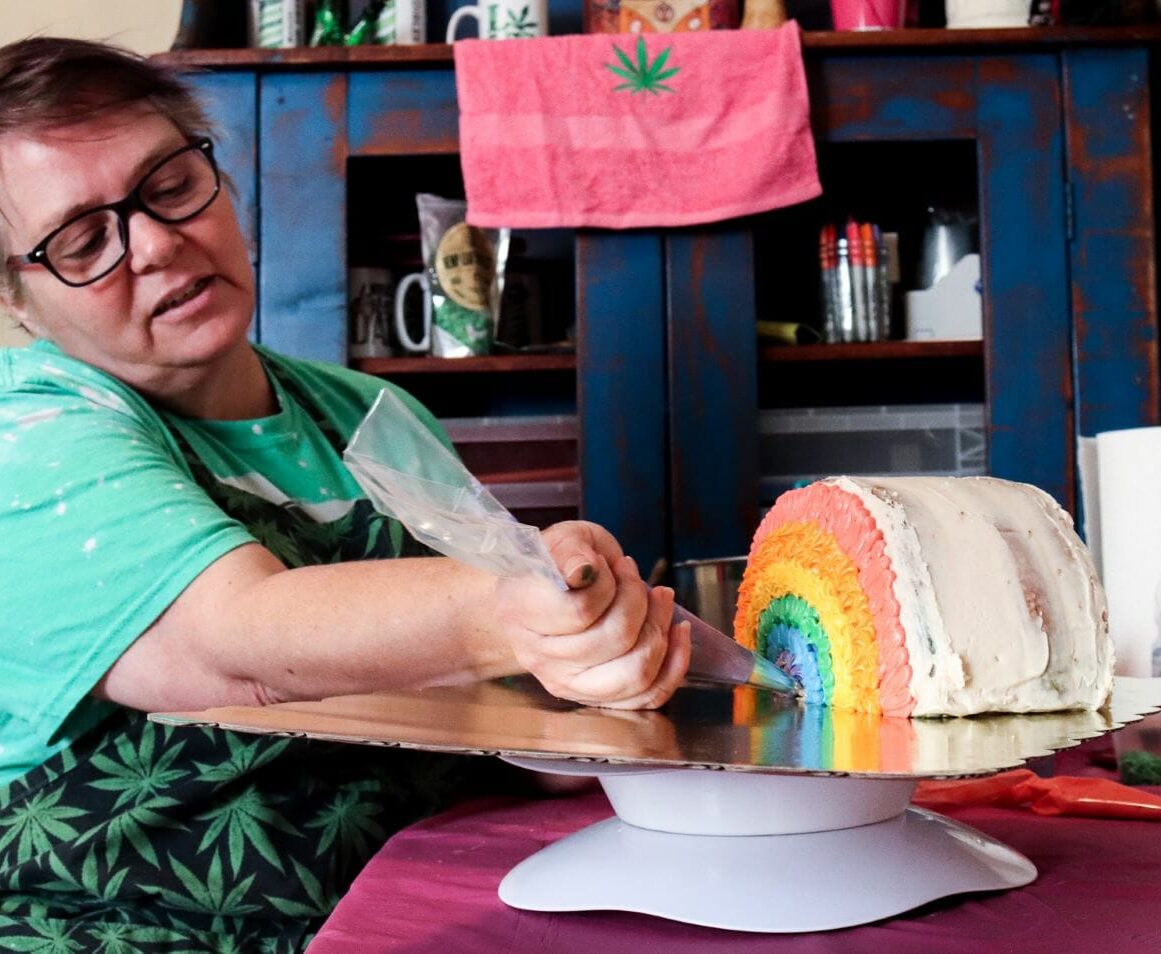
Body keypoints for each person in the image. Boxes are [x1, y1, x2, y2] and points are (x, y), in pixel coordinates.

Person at [0, 36, 690, 951]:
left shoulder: (370, 415)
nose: (160, 244)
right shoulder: (32, 438)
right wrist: (513, 611)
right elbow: (232, 642)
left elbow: (492, 708)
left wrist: (579, 693)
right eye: (86, 239)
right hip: (122, 930)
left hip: (387, 907)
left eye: (170, 186)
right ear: (15, 299)